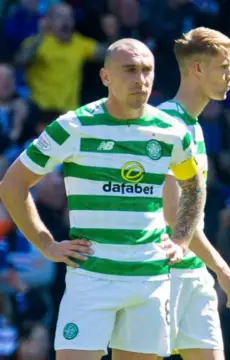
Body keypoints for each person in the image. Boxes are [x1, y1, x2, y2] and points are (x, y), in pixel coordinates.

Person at [0, 38, 206, 360]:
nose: (141, 79)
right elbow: (12, 186)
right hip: (90, 279)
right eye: (129, 70)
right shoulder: (72, 126)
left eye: (146, 70)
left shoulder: (171, 132)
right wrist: (47, 244)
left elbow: (194, 187)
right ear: (105, 77)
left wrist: (181, 239)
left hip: (148, 280)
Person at [157, 27, 230, 360]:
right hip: (161, 274)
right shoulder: (167, 125)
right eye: (224, 67)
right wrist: (222, 269)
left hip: (192, 272)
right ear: (197, 68)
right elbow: (174, 216)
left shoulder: (193, 125)